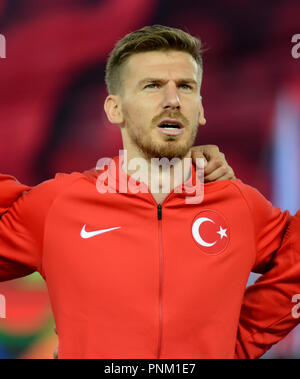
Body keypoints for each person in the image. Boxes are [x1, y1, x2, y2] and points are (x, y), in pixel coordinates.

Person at [0, 25, 299, 358]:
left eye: (185, 87)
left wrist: (239, 343)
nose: (172, 100)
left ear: (200, 109)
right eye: (152, 86)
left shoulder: (239, 204)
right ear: (115, 109)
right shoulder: (58, 203)